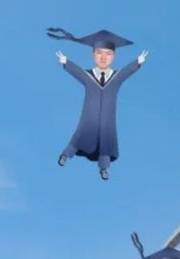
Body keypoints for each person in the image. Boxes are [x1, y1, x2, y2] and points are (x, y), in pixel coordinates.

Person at [47, 27, 148, 180]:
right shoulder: (89, 76)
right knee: (80, 135)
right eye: (99, 53)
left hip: (107, 120)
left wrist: (137, 62)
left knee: (106, 143)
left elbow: (126, 72)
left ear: (113, 56)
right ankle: (65, 155)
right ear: (93, 54)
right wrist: (66, 62)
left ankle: (104, 168)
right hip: (89, 117)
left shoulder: (116, 78)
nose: (103, 57)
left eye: (108, 54)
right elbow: (78, 72)